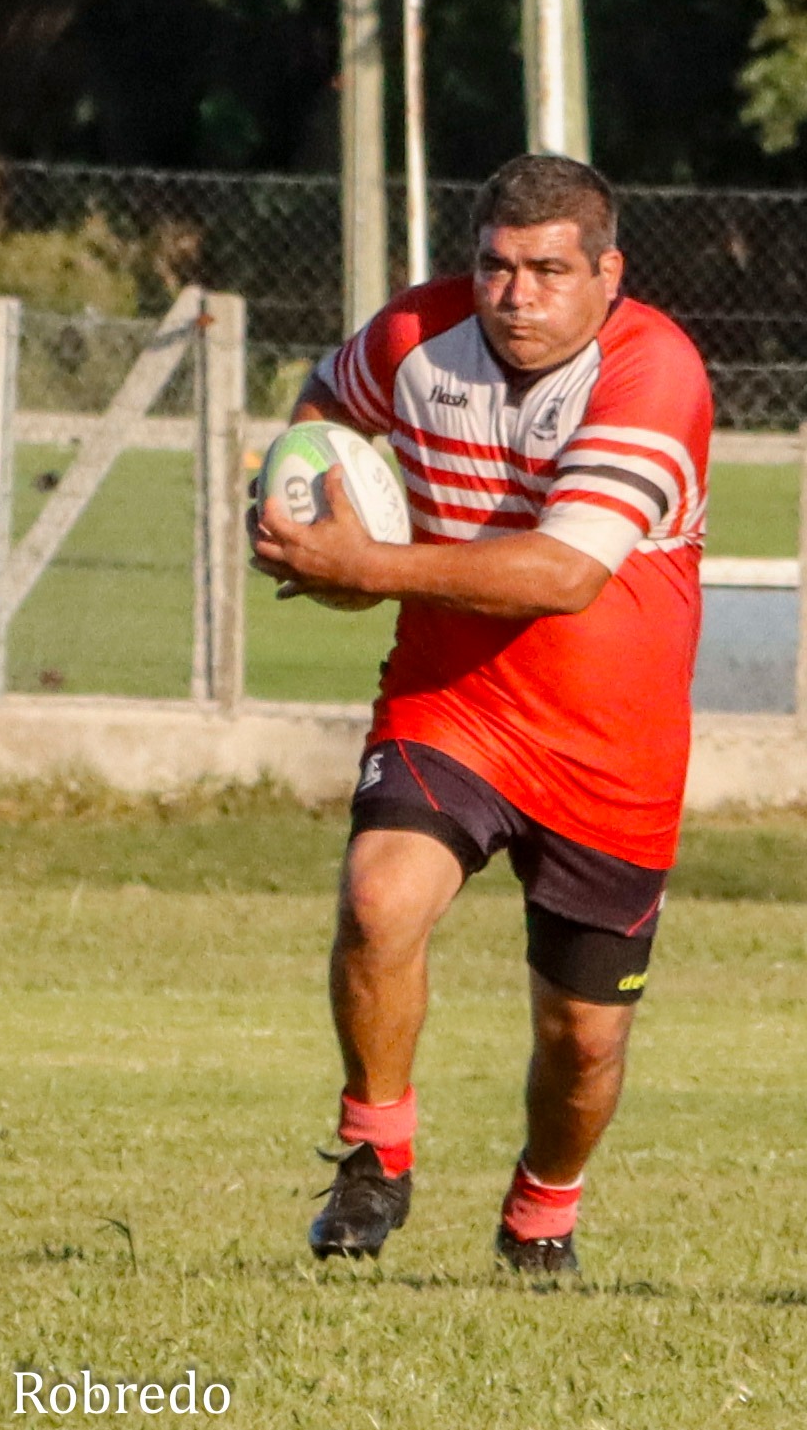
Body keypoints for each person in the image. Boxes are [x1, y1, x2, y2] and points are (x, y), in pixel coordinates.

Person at [250, 153, 712, 1274]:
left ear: (609, 272)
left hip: (614, 752)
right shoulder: (414, 334)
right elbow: (323, 408)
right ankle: (375, 1154)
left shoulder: (652, 371)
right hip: (453, 706)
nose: (516, 296)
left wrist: (373, 560)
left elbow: (563, 575)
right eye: (496, 267)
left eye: (549, 270)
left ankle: (542, 1211)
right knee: (378, 899)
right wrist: (306, 492)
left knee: (582, 1042)